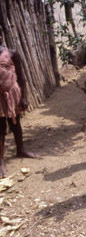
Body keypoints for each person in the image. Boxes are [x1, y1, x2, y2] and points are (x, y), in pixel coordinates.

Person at [0, 26, 37, 177]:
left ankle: (20, 150)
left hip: (13, 93)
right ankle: (1, 160)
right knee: (0, 128)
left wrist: (24, 97)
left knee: (16, 124)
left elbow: (21, 77)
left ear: (1, 37)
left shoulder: (12, 53)